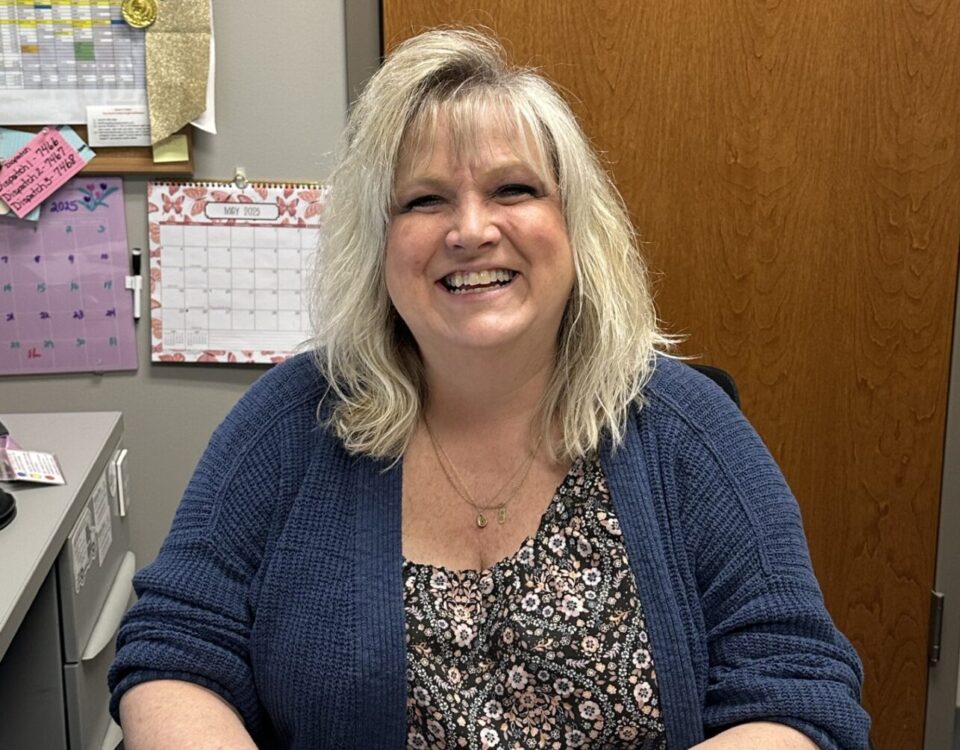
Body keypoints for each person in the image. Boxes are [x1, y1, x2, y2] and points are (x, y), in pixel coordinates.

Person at [109, 28, 870, 750]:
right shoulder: (292, 422)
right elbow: (175, 648)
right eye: (425, 200)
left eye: (512, 189)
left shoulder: (684, 429)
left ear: (575, 225)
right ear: (379, 245)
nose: (470, 230)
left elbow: (796, 684)